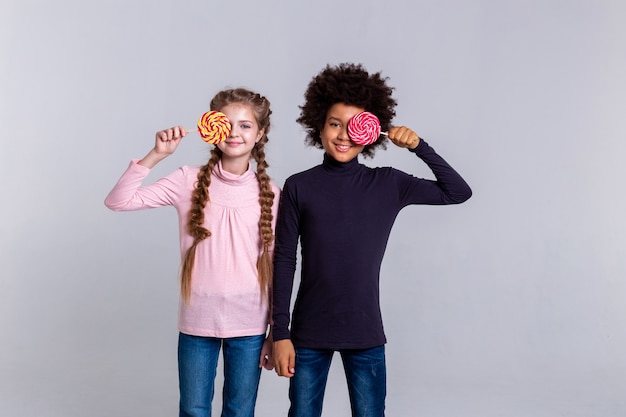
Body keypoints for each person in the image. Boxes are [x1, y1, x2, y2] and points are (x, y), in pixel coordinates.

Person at [271, 63, 472, 417]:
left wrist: (418, 147)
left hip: (364, 329)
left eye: (354, 126)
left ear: (370, 131)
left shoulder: (388, 183)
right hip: (307, 332)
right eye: (335, 123)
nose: (343, 134)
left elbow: (458, 192)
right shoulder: (299, 185)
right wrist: (281, 332)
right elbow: (284, 259)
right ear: (318, 125)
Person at [104, 88, 280, 417]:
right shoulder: (187, 180)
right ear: (210, 127)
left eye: (245, 125)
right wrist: (156, 155)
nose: (233, 132)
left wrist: (273, 331)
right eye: (225, 123)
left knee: (241, 410)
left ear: (260, 134)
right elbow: (118, 201)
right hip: (198, 322)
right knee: (194, 409)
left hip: (251, 326)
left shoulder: (270, 194)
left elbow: (274, 267)